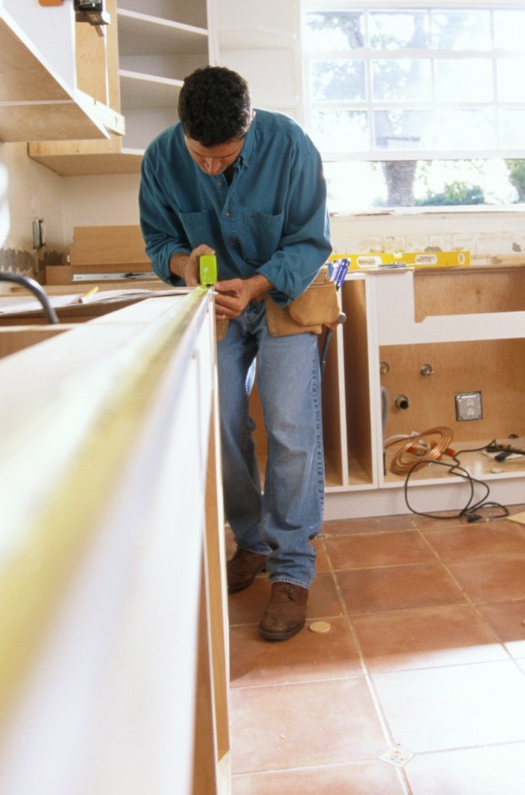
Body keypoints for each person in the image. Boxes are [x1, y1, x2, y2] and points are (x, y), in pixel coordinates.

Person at [139, 66, 332, 641]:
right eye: (201, 156)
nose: (210, 168)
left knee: (290, 423)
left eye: (224, 157)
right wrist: (181, 262)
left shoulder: (290, 145)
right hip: (213, 304)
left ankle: (292, 568)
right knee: (222, 425)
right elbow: (157, 242)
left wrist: (256, 284)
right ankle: (250, 542)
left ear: (247, 129)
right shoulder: (160, 158)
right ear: (184, 130)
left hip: (281, 294)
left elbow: (310, 241)